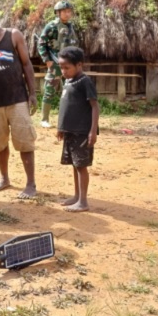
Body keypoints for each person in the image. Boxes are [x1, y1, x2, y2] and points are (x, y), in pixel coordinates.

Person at [0, 5, 39, 199]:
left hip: (17, 99)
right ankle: (4, 178)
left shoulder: (14, 35)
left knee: (25, 142)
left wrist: (32, 93)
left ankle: (30, 184)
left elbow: (27, 65)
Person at [56, 47, 99, 212]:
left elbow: (95, 107)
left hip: (82, 131)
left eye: (67, 67)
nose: (63, 71)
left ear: (79, 65)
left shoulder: (85, 81)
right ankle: (76, 196)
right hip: (70, 131)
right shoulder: (68, 81)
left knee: (81, 165)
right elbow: (65, 106)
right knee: (74, 164)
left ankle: (83, 201)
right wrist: (61, 128)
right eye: (61, 67)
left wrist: (92, 131)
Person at [37, 0, 79, 128]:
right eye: (65, 12)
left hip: (69, 64)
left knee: (70, 91)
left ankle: (69, 118)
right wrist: (47, 60)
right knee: (50, 89)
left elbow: (75, 43)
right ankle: (44, 119)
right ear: (58, 13)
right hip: (55, 63)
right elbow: (41, 43)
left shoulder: (71, 27)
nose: (68, 14)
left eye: (69, 11)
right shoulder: (52, 26)